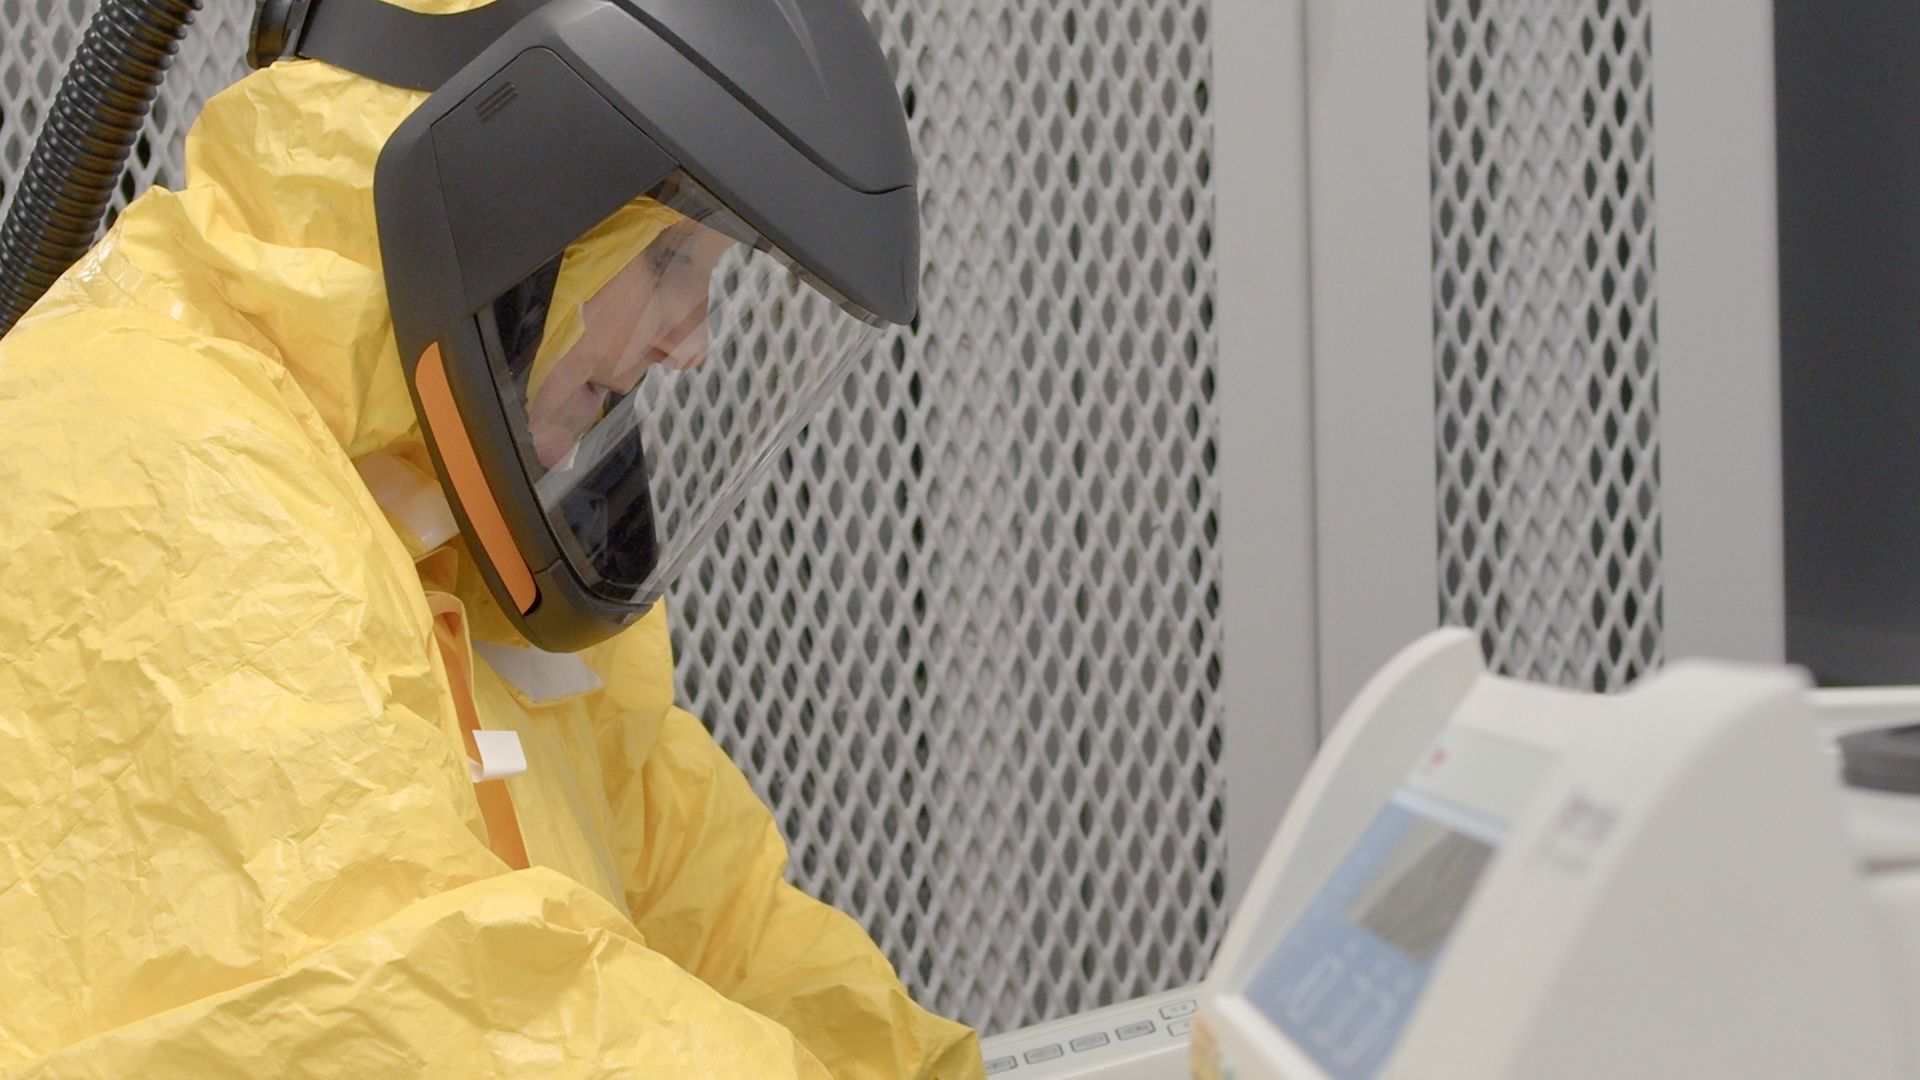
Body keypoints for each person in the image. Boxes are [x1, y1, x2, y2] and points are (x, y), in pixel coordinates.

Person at [0, 0, 982, 1075]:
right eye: (667, 261)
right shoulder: (142, 450)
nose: (692, 342)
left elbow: (720, 926)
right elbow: (409, 999)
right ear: (504, 185)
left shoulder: (464, 530)